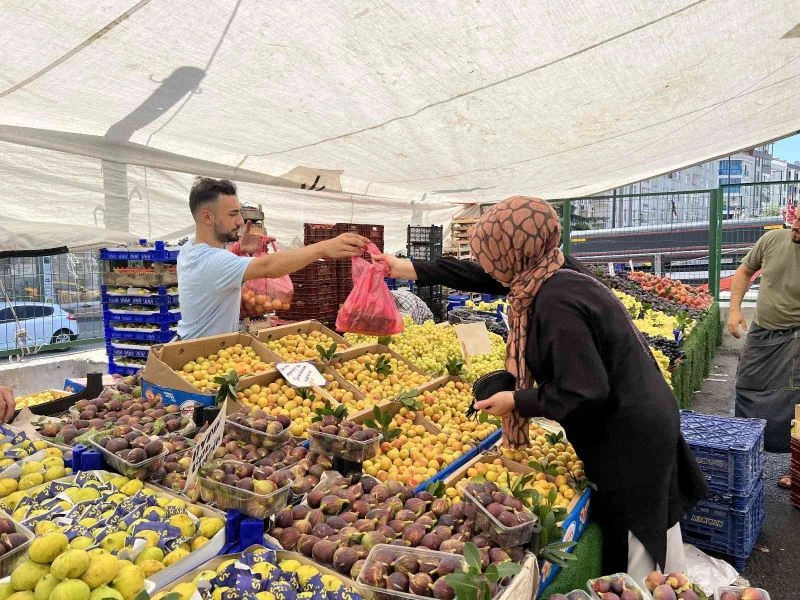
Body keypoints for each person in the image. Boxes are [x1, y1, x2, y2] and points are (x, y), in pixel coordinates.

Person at [376, 196, 707, 580]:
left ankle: (648, 586)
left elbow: (585, 390)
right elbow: (483, 274)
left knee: (640, 537)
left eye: (492, 252)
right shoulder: (548, 269)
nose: (489, 264)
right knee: (653, 523)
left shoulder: (555, 302)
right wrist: (406, 267)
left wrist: (517, 400)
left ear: (511, 253)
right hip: (639, 411)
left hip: (627, 431)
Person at [177, 177, 367, 340]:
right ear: (207, 217)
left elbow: (214, 268)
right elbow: (268, 266)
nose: (240, 221)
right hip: (201, 353)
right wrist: (323, 248)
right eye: (233, 214)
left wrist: (237, 249)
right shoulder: (213, 261)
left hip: (190, 342)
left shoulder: (190, 248)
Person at [727, 210, 800, 488]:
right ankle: (746, 460)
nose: (796, 226)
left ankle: (797, 469)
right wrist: (734, 310)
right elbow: (745, 270)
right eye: (798, 219)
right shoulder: (771, 240)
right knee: (747, 387)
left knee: (796, 402)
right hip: (762, 330)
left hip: (797, 337)